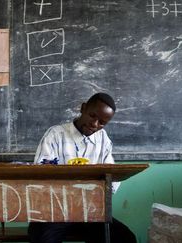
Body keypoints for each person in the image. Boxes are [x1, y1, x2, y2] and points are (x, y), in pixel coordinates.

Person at [28, 92, 136, 243]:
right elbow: (41, 173)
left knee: (125, 238)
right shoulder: (55, 134)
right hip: (56, 211)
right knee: (42, 238)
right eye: (92, 116)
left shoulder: (103, 139)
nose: (95, 124)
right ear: (83, 108)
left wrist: (99, 194)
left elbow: (112, 175)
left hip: (90, 212)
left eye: (102, 122)